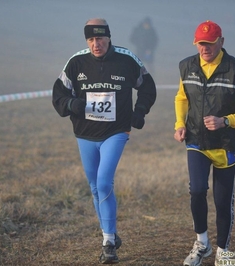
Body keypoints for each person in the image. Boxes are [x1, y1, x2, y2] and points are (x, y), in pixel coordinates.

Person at [52, 18, 156, 264]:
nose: (95, 44)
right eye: (90, 40)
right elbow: (58, 93)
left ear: (109, 38)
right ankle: (109, 233)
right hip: (85, 133)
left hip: (116, 131)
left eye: (99, 39)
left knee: (104, 182)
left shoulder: (127, 59)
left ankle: (108, 243)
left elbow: (148, 87)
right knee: (94, 187)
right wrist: (70, 104)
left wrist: (139, 111)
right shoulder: (76, 62)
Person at [173, 20, 235, 266]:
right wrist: (179, 124)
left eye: (210, 44)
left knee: (222, 202)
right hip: (196, 141)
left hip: (227, 144)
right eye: (200, 44)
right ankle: (202, 244)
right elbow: (181, 97)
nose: (204, 49)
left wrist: (226, 121)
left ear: (221, 42)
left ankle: (223, 251)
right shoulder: (187, 66)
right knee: (197, 190)